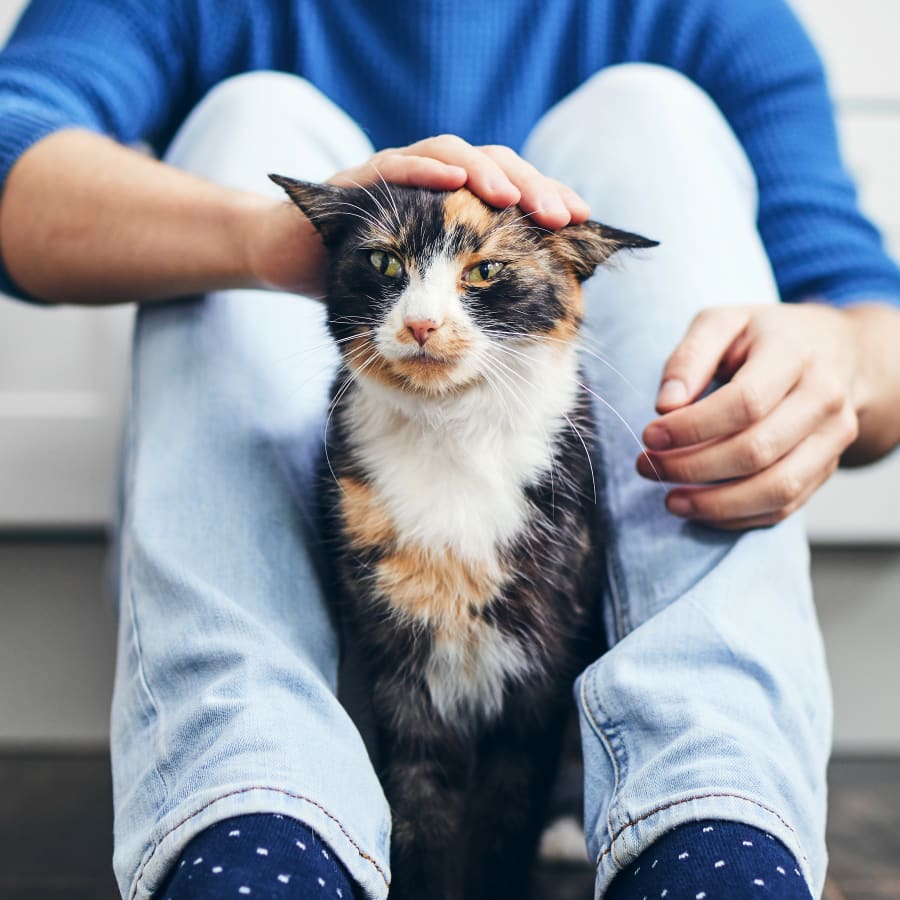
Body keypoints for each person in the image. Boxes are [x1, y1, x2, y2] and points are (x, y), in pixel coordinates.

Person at [1, 1, 899, 898]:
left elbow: (865, 309)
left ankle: (709, 827)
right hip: (350, 612)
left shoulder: (712, 14)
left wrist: (845, 357)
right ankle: (254, 815)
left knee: (650, 109)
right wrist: (263, 240)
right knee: (250, 115)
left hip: (561, 585)